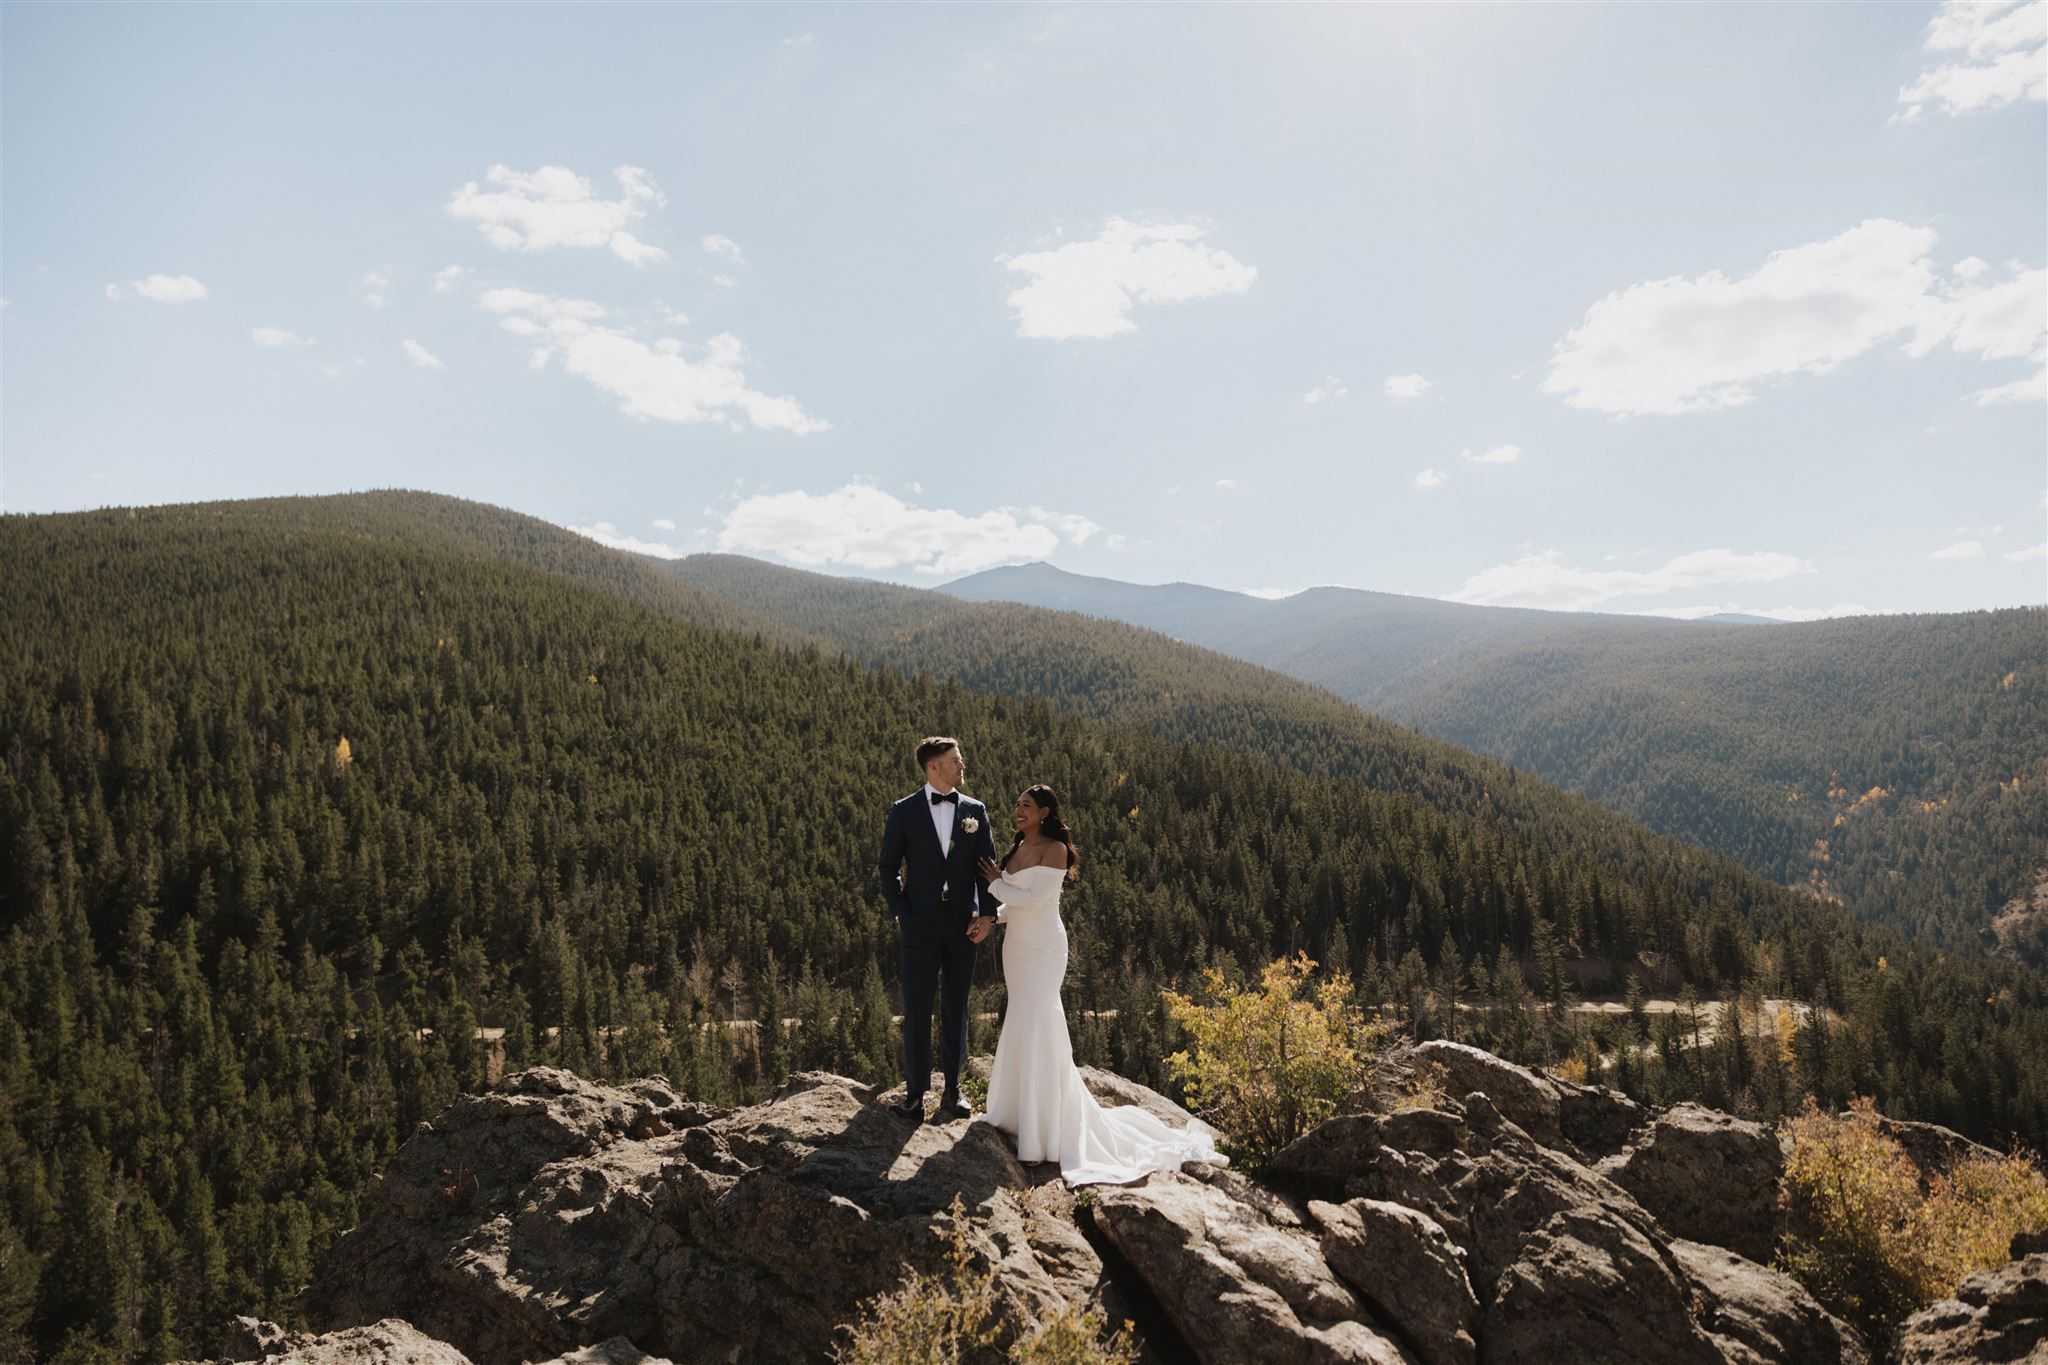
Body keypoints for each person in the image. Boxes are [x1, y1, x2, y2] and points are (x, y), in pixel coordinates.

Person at [975, 784, 1227, 1185]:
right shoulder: (1017, 849)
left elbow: (1037, 900)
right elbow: (1012, 905)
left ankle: (1045, 1132)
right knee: (1021, 1019)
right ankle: (1018, 1115)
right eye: (1017, 805)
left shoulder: (1054, 850)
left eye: (1025, 806)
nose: (1018, 811)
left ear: (1044, 812)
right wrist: (990, 918)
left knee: (1040, 1020)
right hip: (1017, 950)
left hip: (1043, 950)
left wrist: (994, 885)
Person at [876, 735, 1000, 1122]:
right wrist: (901, 910)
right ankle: (915, 1096)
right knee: (917, 1008)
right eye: (955, 761)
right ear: (934, 766)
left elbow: (987, 868)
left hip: (963, 925)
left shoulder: (975, 811)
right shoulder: (904, 811)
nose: (962, 766)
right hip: (919, 923)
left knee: (956, 1008)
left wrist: (988, 916)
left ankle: (953, 1091)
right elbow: (887, 867)